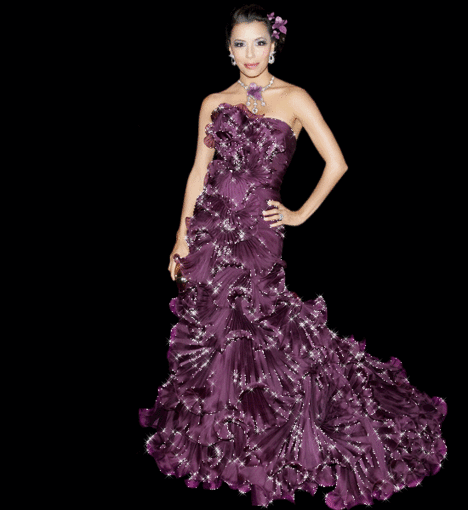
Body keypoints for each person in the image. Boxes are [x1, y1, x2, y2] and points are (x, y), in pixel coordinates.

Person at [139, 5, 447, 509]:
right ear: (228, 50)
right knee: (215, 326)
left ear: (274, 46)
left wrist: (300, 213)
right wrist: (180, 236)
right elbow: (198, 172)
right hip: (211, 227)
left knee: (259, 319)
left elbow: (337, 162)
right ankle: (224, 428)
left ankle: (274, 426)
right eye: (240, 44)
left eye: (259, 42)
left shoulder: (294, 97)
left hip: (259, 231)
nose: (250, 54)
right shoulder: (214, 101)